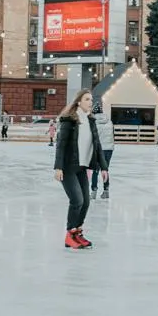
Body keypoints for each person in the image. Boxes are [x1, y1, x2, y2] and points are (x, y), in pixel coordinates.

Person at [53, 90, 108, 248]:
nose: (90, 102)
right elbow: (61, 145)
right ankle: (69, 235)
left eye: (91, 99)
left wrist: (104, 168)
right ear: (79, 102)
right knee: (77, 200)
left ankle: (77, 232)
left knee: (85, 202)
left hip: (82, 167)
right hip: (68, 167)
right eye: (87, 99)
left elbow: (97, 145)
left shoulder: (90, 120)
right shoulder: (69, 120)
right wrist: (58, 167)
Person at [91, 108, 115, 199]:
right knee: (105, 170)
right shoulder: (109, 122)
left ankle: (94, 191)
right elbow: (113, 134)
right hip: (109, 149)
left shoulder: (93, 122)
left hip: (99, 149)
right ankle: (106, 191)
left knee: (95, 171)